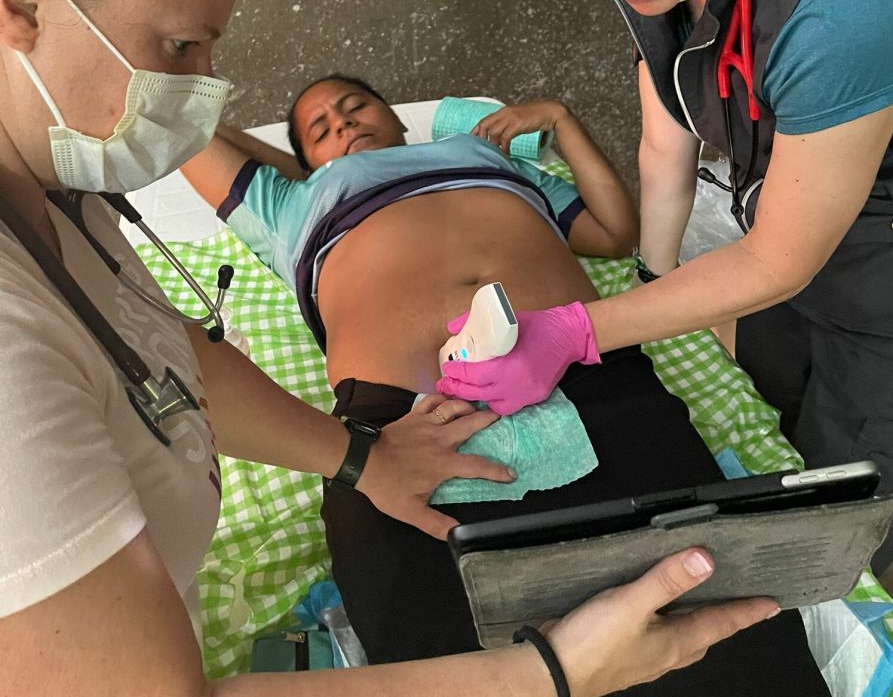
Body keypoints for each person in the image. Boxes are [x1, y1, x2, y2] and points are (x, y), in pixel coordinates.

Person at [0, 0, 781, 696]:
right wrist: (541, 674)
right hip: (403, 405)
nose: (192, 86)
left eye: (211, 46)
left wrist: (359, 457)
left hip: (580, 390)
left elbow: (162, 354)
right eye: (176, 45)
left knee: (724, 647)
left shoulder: (55, 190)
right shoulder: (290, 201)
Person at [181, 75, 830, 694]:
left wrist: (560, 122)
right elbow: (180, 124)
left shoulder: (485, 155)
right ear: (298, 160)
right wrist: (314, 171)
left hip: (595, 386)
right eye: (318, 128)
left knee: (719, 640)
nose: (343, 121)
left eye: (354, 105)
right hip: (402, 440)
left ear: (395, 116)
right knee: (457, 666)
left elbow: (612, 235)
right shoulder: (287, 207)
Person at [437, 0, 893, 582]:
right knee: (782, 413)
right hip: (798, 255)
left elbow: (778, 262)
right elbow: (666, 130)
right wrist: (650, 278)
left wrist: (578, 331)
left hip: (870, 285)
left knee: (859, 508)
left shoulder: (841, 7)